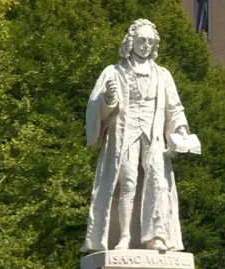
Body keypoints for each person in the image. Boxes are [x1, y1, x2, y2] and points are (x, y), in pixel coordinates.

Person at [82, 19, 191, 252]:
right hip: (125, 133)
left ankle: (158, 235)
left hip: (153, 136)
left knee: (158, 182)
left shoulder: (163, 75)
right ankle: (124, 237)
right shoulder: (113, 72)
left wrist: (180, 129)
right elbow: (96, 109)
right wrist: (108, 99)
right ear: (131, 41)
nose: (145, 45)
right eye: (141, 40)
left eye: (150, 42)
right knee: (127, 184)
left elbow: (175, 108)